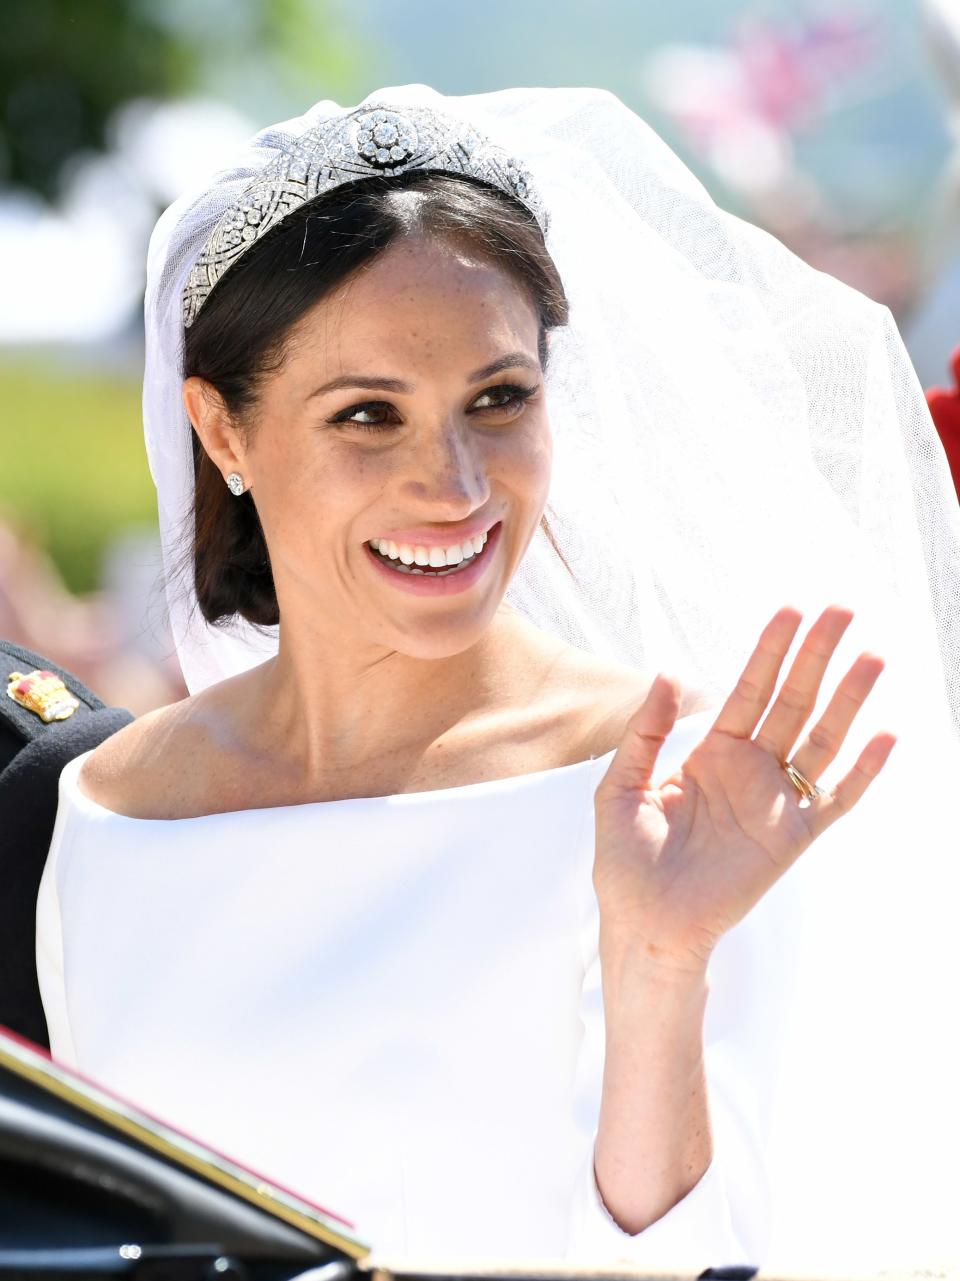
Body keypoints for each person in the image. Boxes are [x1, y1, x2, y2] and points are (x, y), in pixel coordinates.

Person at [34, 86, 960, 1271]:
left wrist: (660, 967)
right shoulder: (105, 813)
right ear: (221, 433)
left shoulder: (682, 796)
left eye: (499, 399)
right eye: (369, 415)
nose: (458, 485)